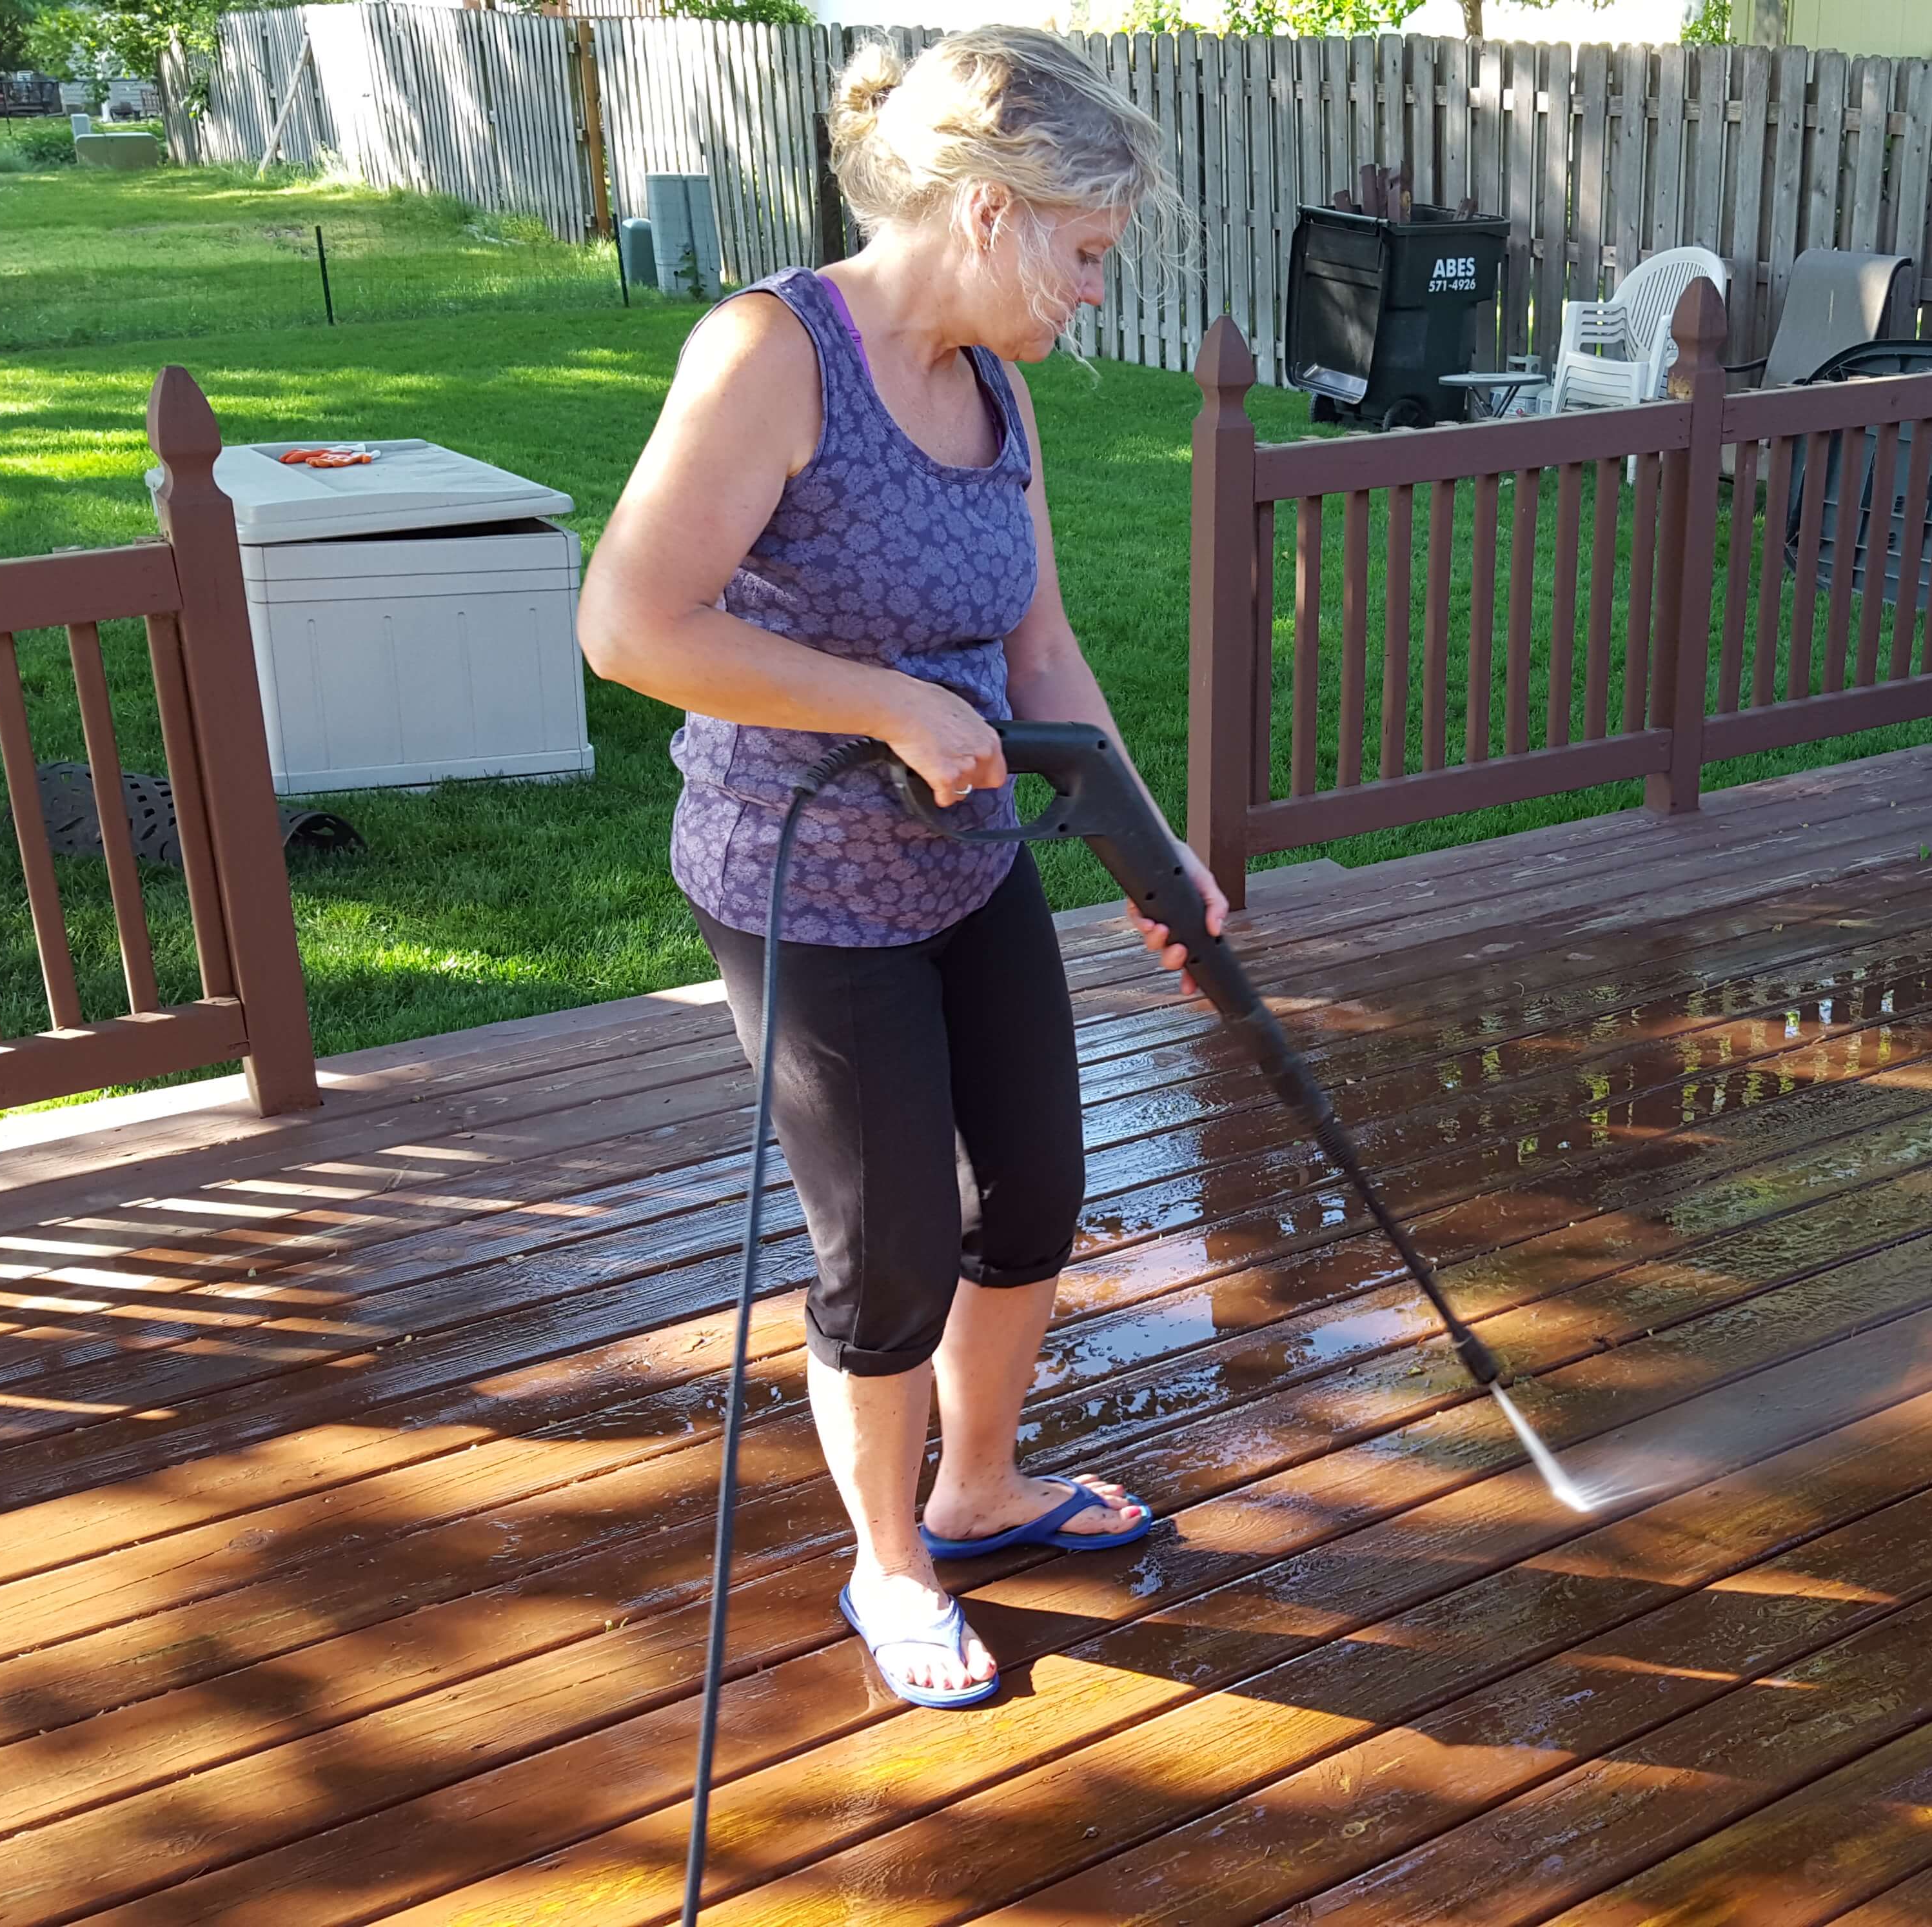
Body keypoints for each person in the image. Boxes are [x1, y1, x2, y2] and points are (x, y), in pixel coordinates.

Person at [577, 25, 1223, 1712]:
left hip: (969, 854)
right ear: (995, 214)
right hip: (803, 879)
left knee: (1033, 1186)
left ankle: (979, 1484)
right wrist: (887, 704)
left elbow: (1046, 648)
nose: (1095, 291)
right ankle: (888, 1560)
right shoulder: (770, 355)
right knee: (891, 1244)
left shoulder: (992, 385)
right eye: (1088, 252)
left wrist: (1156, 861)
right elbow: (631, 624)